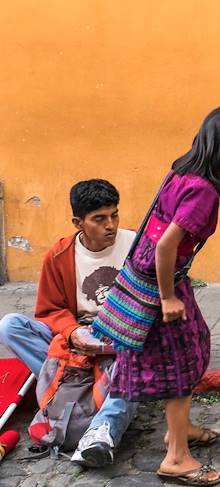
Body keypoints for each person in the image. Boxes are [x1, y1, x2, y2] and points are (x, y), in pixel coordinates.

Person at [107, 105, 220, 487]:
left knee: (194, 348)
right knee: (178, 366)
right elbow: (165, 246)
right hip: (159, 280)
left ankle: (180, 429)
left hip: (158, 275)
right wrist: (167, 299)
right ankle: (176, 457)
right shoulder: (203, 191)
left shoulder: (181, 170)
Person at [0, 179, 138, 467]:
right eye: (99, 219)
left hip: (121, 335)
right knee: (9, 325)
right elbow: (49, 309)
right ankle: (64, 388)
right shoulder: (60, 255)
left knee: (132, 359)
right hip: (77, 337)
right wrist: (73, 332)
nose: (110, 225)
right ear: (78, 222)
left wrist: (112, 335)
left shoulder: (135, 245)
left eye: (114, 215)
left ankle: (102, 434)